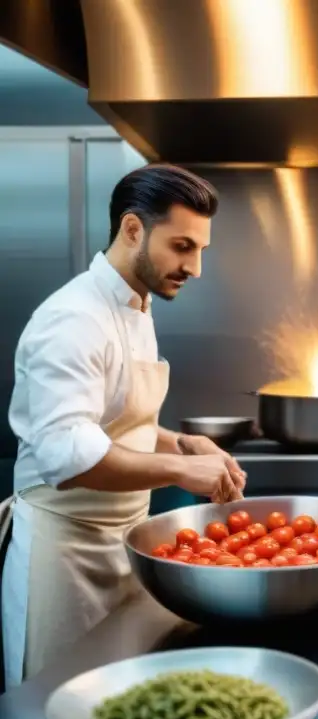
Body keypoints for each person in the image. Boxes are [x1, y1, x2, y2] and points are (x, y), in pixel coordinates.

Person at [2, 164, 247, 687]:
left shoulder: (136, 305)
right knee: (57, 712)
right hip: (63, 559)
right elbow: (72, 457)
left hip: (122, 544)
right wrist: (181, 474)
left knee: (119, 706)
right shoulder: (74, 319)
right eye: (182, 246)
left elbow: (110, 423)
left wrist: (180, 443)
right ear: (133, 229)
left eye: (200, 249)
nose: (195, 267)